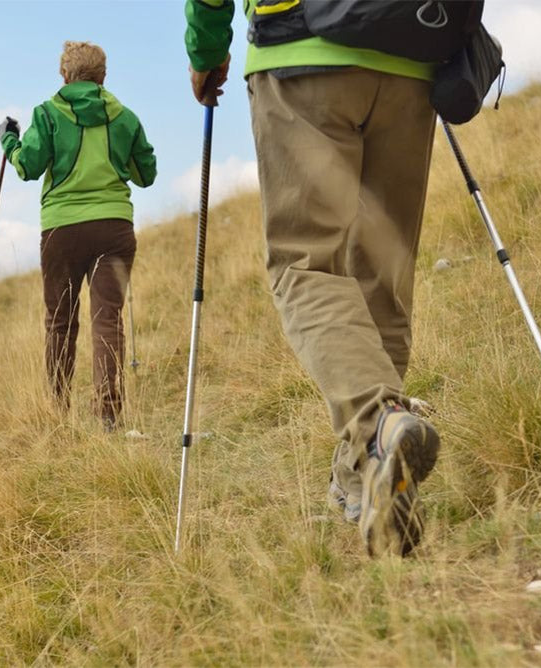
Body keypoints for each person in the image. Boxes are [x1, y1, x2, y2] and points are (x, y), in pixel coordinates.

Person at [184, 1, 441, 556]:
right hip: (409, 54)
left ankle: (378, 425)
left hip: (301, 53)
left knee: (304, 264)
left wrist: (205, 53)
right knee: (383, 272)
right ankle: (362, 482)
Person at [0, 41, 156, 430]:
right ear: (103, 77)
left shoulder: (47, 114)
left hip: (62, 229)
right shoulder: (126, 118)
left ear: (64, 76)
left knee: (60, 322)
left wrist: (8, 140)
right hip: (114, 227)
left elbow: (28, 166)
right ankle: (108, 415)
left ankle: (57, 411)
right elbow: (146, 174)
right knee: (108, 320)